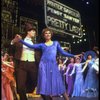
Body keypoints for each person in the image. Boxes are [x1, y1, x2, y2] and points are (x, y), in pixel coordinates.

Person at [15, 28, 81, 100]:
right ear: (44, 35)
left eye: (49, 33)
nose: (48, 34)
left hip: (53, 65)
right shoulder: (42, 45)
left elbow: (63, 52)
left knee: (58, 82)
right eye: (46, 33)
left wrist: (73, 56)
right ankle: (48, 98)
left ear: (51, 34)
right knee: (45, 83)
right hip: (43, 65)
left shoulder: (56, 43)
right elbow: (31, 46)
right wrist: (20, 40)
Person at [10, 23, 41, 100]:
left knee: (34, 82)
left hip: (33, 65)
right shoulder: (19, 41)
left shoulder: (35, 43)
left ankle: (25, 91)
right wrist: (13, 41)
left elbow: (39, 54)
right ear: (28, 32)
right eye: (33, 31)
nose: (34, 32)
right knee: (20, 86)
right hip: (21, 65)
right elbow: (11, 50)